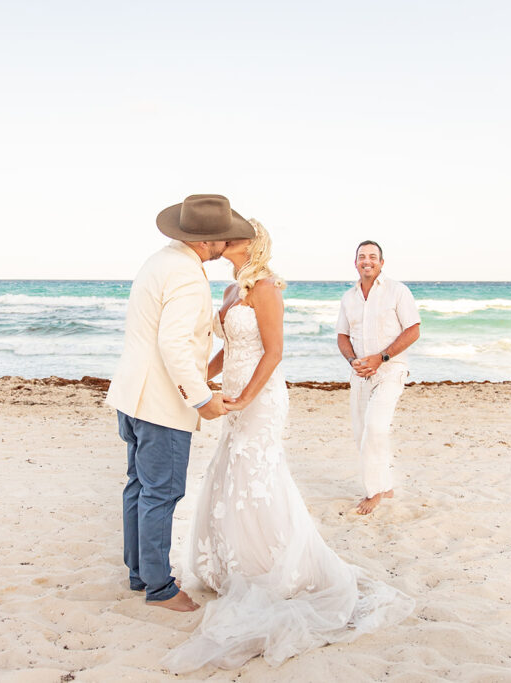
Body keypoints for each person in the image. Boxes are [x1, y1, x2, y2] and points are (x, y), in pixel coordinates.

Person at [161, 220, 414, 673]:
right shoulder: (230, 292)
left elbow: (273, 352)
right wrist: (202, 379)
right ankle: (231, 563)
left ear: (250, 243)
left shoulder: (266, 287)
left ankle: (270, 565)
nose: (224, 240)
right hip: (235, 395)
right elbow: (233, 349)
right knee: (229, 474)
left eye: (232, 236)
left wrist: (247, 397)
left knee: (257, 475)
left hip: (260, 396)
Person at [105, 194, 252, 612]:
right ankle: (159, 587)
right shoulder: (187, 276)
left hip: (131, 396)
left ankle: (139, 573)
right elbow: (172, 344)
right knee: (162, 493)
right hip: (160, 405)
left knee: (139, 486)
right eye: (224, 237)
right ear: (209, 241)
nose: (227, 243)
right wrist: (202, 397)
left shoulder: (158, 261)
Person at [335, 241, 420, 514]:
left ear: (382, 263)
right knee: (364, 433)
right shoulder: (349, 298)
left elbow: (413, 330)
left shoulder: (398, 291)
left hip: (390, 371)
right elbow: (342, 336)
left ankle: (374, 493)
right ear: (355, 262)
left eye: (373, 257)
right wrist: (352, 361)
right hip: (359, 375)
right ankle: (386, 485)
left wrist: (381, 358)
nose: (367, 261)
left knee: (376, 427)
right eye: (362, 257)